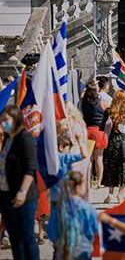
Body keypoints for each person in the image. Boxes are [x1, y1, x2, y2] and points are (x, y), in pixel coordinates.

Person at [0, 105, 40, 260]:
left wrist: (22, 192)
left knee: (27, 237)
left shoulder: (25, 138)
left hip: (23, 196)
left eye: (6, 120)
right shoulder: (8, 140)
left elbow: (30, 169)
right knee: (14, 238)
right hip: (6, 195)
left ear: (16, 120)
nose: (3, 123)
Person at [46, 171, 98, 260]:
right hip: (83, 249)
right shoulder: (88, 207)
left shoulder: (58, 208)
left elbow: (52, 234)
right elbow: (94, 230)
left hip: (62, 249)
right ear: (78, 187)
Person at [101, 90, 125, 204]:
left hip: (113, 140)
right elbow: (124, 130)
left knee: (111, 167)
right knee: (123, 167)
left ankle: (110, 194)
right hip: (123, 141)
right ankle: (121, 193)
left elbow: (105, 128)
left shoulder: (109, 112)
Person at [80, 80, 107, 187]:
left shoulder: (83, 103)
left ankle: (88, 181)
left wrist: (90, 84)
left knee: (89, 158)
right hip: (99, 131)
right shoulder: (102, 104)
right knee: (99, 158)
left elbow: (82, 93)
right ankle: (99, 182)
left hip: (87, 131)